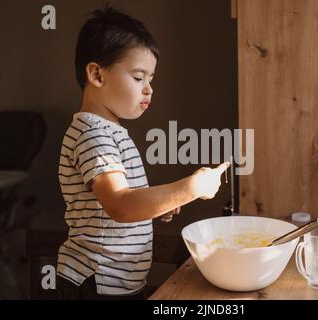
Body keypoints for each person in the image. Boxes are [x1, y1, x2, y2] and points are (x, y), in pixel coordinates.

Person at [56, 6, 229, 300]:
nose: (149, 89)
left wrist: (160, 203)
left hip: (117, 282)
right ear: (97, 74)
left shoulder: (110, 131)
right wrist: (191, 187)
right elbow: (121, 206)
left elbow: (127, 200)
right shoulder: (92, 135)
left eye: (151, 79)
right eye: (138, 78)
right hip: (94, 282)